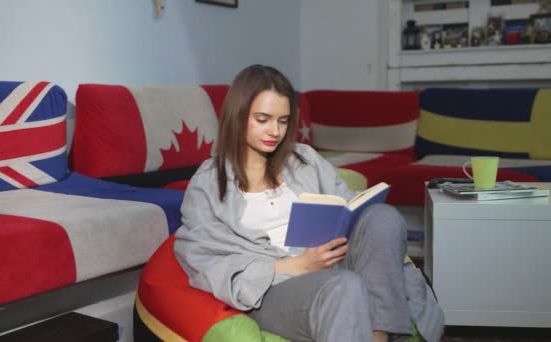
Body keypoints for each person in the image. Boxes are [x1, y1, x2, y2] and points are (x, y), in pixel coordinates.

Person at [174, 64, 442, 342]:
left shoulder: (303, 159)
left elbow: (347, 207)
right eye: (263, 119)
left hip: (332, 262)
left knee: (382, 216)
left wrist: (355, 213)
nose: (274, 131)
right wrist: (297, 265)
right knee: (344, 286)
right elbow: (203, 258)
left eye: (283, 120)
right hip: (275, 289)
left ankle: (379, 336)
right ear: (238, 115)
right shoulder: (208, 181)